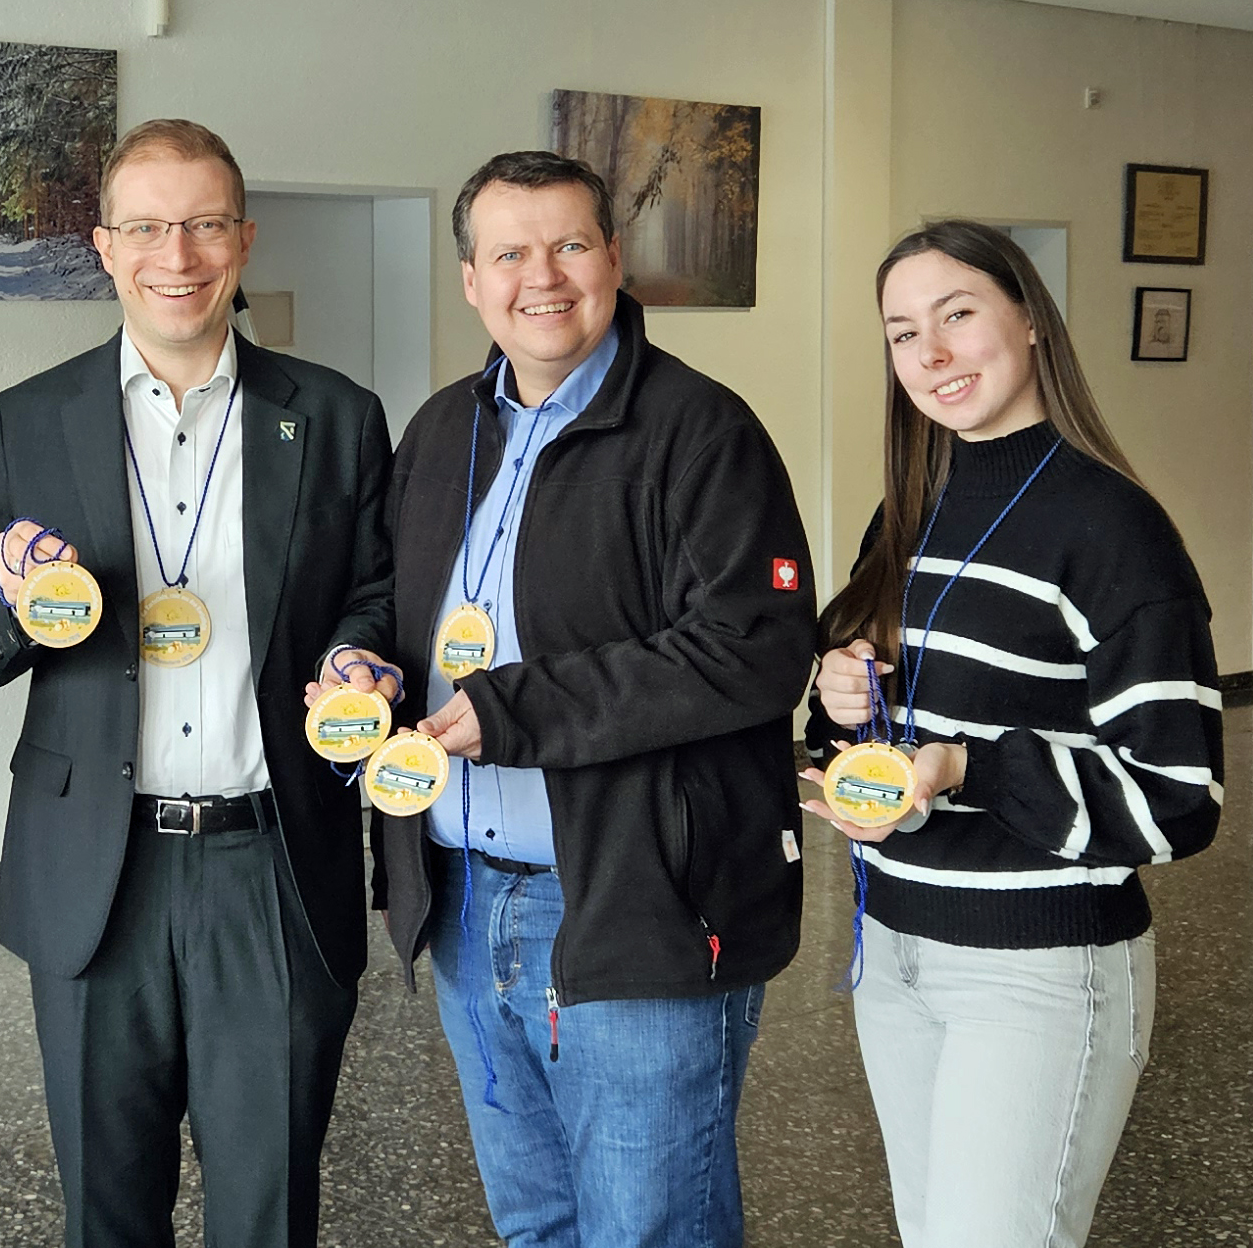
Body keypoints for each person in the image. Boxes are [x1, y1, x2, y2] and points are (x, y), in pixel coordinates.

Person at [0, 118, 397, 1248]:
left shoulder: (334, 416)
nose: (175, 255)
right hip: (96, 872)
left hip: (273, 864)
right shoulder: (29, 420)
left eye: (202, 225)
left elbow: (377, 592)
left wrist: (357, 654)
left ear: (244, 238)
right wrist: (17, 602)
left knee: (267, 1210)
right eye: (145, 227)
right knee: (107, 1211)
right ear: (103, 246)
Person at [372, 150, 816, 1248]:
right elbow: (387, 603)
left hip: (636, 902)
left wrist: (520, 709)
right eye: (509, 254)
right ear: (470, 280)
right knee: (535, 1225)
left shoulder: (701, 432)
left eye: (570, 245)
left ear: (614, 260)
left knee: (647, 1232)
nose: (543, 277)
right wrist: (357, 663)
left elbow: (754, 649)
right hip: (467, 900)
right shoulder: (440, 431)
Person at [804, 219, 1222, 1248]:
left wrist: (967, 766)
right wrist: (843, 704)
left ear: (1031, 319)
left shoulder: (1113, 528)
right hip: (892, 948)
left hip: (1037, 969)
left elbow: (1179, 798)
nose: (932, 353)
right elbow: (864, 736)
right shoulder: (911, 508)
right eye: (904, 333)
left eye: (958, 314)